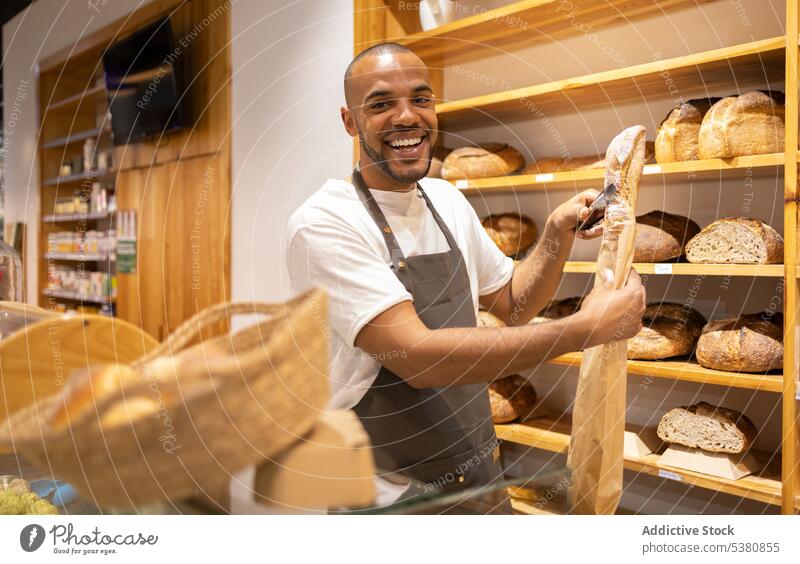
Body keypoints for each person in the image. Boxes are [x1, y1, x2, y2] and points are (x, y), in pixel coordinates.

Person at [287, 42, 646, 509]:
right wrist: (584, 328)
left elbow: (515, 305)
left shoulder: (445, 200)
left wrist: (556, 233)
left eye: (420, 98)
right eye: (380, 104)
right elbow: (419, 359)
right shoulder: (325, 223)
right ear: (350, 121)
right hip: (385, 496)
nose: (406, 117)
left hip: (479, 475)